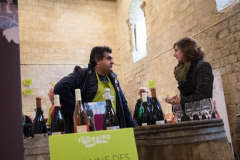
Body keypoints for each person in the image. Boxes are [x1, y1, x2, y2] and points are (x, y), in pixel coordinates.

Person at [54, 46, 138, 133]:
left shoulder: (114, 80)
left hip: (113, 131)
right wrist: (80, 111)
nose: (113, 62)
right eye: (109, 59)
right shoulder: (83, 75)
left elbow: (123, 105)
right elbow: (60, 87)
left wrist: (134, 127)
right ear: (98, 60)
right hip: (89, 134)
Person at [166, 37, 214, 115]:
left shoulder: (202, 66)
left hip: (204, 119)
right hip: (189, 119)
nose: (174, 55)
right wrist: (176, 103)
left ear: (186, 49)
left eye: (176, 50)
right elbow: (186, 98)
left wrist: (181, 100)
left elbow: (203, 97)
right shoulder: (182, 71)